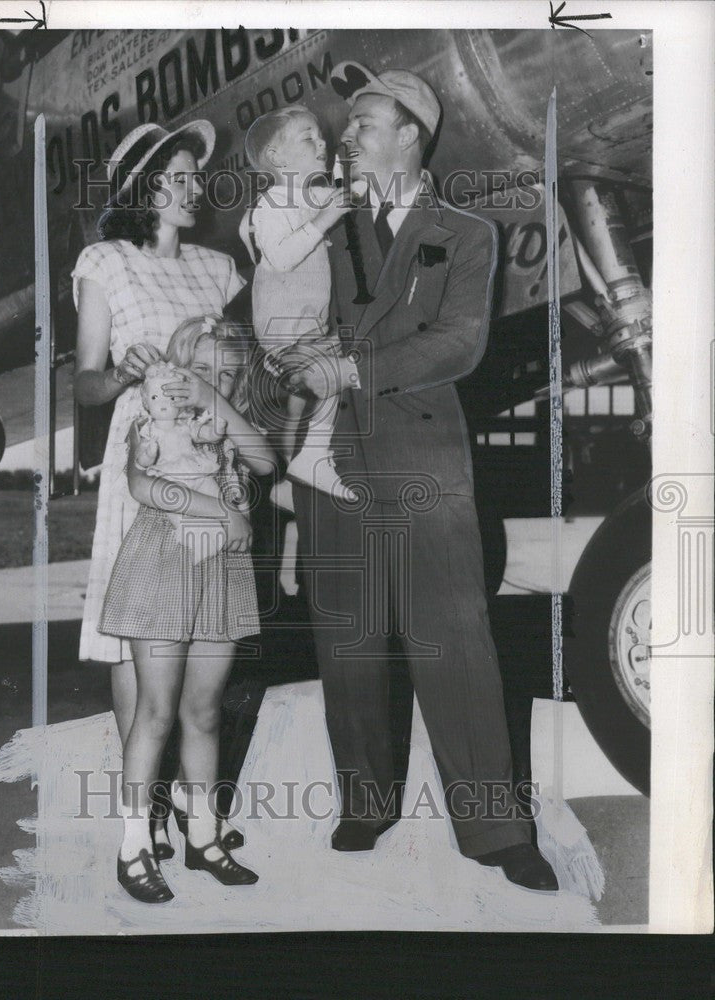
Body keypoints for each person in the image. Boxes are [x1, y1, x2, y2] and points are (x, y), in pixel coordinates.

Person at [277, 62, 558, 891]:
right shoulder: (317, 229)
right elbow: (280, 322)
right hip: (327, 462)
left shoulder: (466, 233)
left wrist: (349, 369)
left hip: (424, 459)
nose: (346, 136)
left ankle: (497, 832)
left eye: (363, 123)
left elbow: (458, 343)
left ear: (410, 135)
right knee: (348, 638)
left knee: (456, 641)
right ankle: (365, 802)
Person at [73, 121, 246, 862]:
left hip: (213, 467)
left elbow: (240, 371)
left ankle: (190, 805)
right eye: (176, 178)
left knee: (202, 628)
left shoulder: (219, 269)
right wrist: (121, 373)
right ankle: (138, 816)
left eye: (194, 177)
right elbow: (84, 384)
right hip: (140, 462)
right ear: (142, 189)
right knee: (138, 625)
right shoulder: (106, 262)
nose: (192, 189)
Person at [100, 315, 277, 902]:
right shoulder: (150, 418)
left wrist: (215, 403)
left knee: (204, 711)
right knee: (155, 711)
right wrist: (219, 510)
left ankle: (203, 838)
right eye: (201, 371)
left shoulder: (219, 423)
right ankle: (134, 848)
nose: (212, 384)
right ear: (174, 368)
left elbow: (267, 461)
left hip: (219, 571)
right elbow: (142, 486)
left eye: (227, 376)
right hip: (163, 563)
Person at [238, 105, 358, 503]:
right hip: (284, 328)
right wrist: (323, 220)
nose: (321, 142)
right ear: (276, 157)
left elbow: (350, 196)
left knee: (334, 380)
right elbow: (282, 256)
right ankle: (309, 460)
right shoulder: (270, 205)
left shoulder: (313, 195)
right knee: (338, 375)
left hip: (308, 326)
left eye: (322, 136)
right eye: (309, 137)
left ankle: (305, 462)